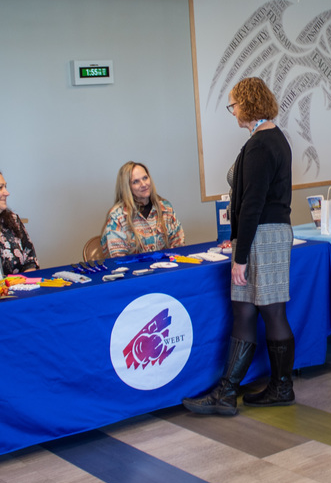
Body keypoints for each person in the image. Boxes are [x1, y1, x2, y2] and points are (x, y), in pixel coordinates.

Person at [183, 77, 294, 415]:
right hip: (264, 234)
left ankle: (281, 388)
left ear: (248, 104)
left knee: (272, 311)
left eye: (234, 105)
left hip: (263, 235)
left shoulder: (262, 144)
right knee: (244, 310)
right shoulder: (270, 138)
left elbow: (253, 204)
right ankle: (227, 392)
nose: (232, 112)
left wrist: (240, 256)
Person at [100, 161, 184, 257]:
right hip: (134, 271)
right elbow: (118, 259)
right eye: (136, 181)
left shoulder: (165, 208)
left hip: (166, 268)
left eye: (145, 178)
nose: (144, 184)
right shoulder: (117, 216)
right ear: (127, 187)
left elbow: (179, 245)